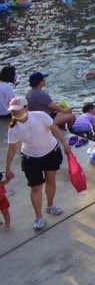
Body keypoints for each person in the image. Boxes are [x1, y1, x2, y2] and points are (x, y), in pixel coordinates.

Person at [4, 96, 72, 231]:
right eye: (12, 111)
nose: (14, 113)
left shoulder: (40, 116)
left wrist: (65, 143)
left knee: (51, 180)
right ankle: (38, 217)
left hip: (51, 152)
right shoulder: (13, 129)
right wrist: (8, 168)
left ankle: (50, 205)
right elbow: (11, 149)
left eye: (17, 110)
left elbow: (55, 129)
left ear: (26, 108)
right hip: (31, 158)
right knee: (35, 188)